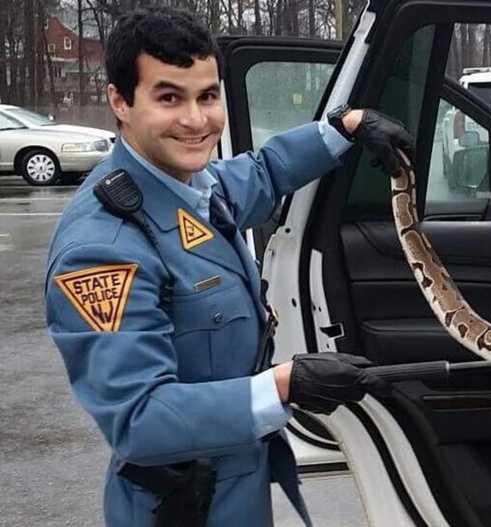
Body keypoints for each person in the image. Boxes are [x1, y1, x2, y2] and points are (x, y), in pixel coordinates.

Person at [44, 7, 413, 527]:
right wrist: (284, 386)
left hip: (235, 479)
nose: (196, 120)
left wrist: (343, 128)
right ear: (120, 102)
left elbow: (263, 172)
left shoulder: (192, 185)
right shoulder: (103, 249)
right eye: (169, 97)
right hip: (179, 505)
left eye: (208, 95)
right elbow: (138, 420)